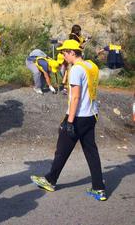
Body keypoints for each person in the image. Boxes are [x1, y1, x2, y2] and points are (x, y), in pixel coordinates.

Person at [31, 40, 107, 201]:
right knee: (91, 152)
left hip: (78, 115)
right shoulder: (91, 66)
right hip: (91, 115)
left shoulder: (76, 70)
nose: (62, 55)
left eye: (65, 52)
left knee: (62, 149)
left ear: (73, 52)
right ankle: (99, 188)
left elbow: (76, 97)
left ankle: (50, 180)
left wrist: (69, 121)